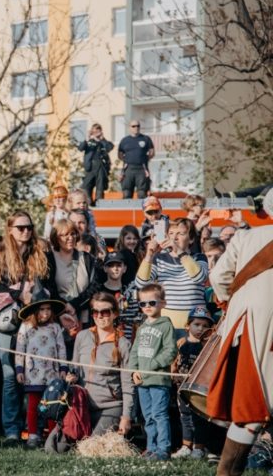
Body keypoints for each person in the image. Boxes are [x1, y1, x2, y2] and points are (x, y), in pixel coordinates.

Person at [207, 188, 273, 475]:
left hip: (248, 325)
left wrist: (228, 303)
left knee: (251, 403)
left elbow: (218, 277)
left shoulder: (245, 237)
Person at [0, 210, 50, 441]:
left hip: (35, 321)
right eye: (21, 227)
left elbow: (49, 286)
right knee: (10, 374)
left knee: (35, 374)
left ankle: (34, 427)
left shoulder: (41, 254)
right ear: (10, 229)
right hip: (7, 322)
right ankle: (12, 429)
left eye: (29, 227)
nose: (26, 231)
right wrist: (17, 294)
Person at [68, 292, 134, 436]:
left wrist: (126, 417)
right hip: (82, 405)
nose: (99, 316)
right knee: (54, 447)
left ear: (115, 314)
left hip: (110, 407)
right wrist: (70, 377)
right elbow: (74, 368)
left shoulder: (123, 344)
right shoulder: (82, 336)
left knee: (92, 447)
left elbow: (128, 385)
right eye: (95, 312)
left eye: (105, 312)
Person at [128, 283, 178, 461]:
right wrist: (133, 370)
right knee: (147, 416)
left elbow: (171, 351)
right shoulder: (141, 328)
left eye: (152, 302)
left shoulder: (166, 326)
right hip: (142, 381)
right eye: (143, 304)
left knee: (159, 414)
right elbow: (134, 351)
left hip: (158, 380)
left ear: (163, 304)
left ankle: (163, 449)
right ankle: (151, 447)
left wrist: (154, 364)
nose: (147, 307)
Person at [135, 217, 209, 334]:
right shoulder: (159, 258)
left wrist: (179, 251)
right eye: (171, 233)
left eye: (181, 233)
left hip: (195, 323)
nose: (175, 237)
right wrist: (149, 255)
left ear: (191, 239)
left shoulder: (199, 258)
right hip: (166, 325)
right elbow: (141, 283)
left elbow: (199, 277)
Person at [15, 298, 68, 448]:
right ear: (35, 311)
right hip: (33, 374)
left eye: (48, 309)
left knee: (52, 405)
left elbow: (61, 348)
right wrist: (19, 369)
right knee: (32, 405)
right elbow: (19, 349)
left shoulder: (55, 327)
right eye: (42, 309)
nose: (46, 313)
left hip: (52, 373)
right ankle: (33, 434)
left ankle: (53, 435)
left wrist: (63, 368)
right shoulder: (26, 327)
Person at [172, 306, 214, 460]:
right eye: (196, 324)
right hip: (181, 387)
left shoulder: (208, 346)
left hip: (198, 389)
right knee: (185, 416)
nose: (200, 329)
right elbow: (174, 362)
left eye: (205, 326)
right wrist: (174, 372)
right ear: (187, 326)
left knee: (200, 418)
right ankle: (186, 446)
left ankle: (199, 448)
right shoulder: (181, 343)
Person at [46, 220, 99, 332]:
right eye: (65, 235)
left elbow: (94, 286)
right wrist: (64, 307)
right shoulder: (48, 259)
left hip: (84, 318)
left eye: (73, 234)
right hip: (56, 317)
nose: (70, 238)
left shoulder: (86, 258)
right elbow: (48, 288)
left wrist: (74, 305)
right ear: (56, 237)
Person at [77, 123, 114, 205]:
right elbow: (80, 148)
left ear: (101, 131)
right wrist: (87, 138)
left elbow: (109, 148)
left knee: (100, 187)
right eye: (94, 130)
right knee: (86, 187)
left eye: (98, 130)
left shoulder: (104, 142)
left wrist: (102, 138)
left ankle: (99, 203)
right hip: (90, 167)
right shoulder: (89, 142)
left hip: (101, 166)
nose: (96, 132)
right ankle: (88, 203)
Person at [118, 120, 154, 199]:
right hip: (128, 168)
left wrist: (143, 159)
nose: (136, 128)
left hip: (141, 168)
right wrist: (128, 160)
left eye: (138, 126)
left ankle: (142, 211)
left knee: (142, 193)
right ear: (129, 128)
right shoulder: (125, 140)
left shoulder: (146, 139)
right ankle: (126, 210)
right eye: (133, 126)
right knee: (126, 193)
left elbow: (151, 152)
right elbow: (120, 154)